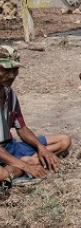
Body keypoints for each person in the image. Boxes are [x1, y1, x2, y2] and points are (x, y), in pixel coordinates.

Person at [0, 46, 71, 184]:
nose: (11, 75)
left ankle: (26, 162)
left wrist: (40, 147)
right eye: (6, 70)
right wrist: (25, 167)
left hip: (9, 147)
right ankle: (23, 166)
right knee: (2, 175)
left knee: (64, 140)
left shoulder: (10, 93)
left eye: (15, 70)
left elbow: (22, 128)